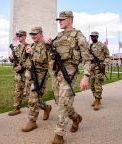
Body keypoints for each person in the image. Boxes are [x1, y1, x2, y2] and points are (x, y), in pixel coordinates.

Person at [46, 11, 91, 144]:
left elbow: (87, 59)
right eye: (58, 19)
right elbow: (52, 54)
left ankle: (59, 135)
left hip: (70, 71)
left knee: (63, 103)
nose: (59, 21)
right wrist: (49, 44)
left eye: (62, 19)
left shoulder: (79, 36)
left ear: (70, 20)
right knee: (60, 101)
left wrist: (86, 76)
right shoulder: (59, 36)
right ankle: (76, 118)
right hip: (56, 72)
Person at [21, 26, 52, 132]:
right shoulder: (32, 45)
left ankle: (32, 122)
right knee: (33, 98)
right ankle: (46, 107)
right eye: (31, 34)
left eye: (35, 34)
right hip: (30, 75)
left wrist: (31, 52)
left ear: (41, 34)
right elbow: (27, 61)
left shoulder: (45, 45)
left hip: (40, 76)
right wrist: (26, 55)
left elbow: (43, 59)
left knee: (33, 99)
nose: (33, 36)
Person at [8, 30, 30, 116]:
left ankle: (41, 107)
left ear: (24, 36)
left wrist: (22, 66)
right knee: (18, 90)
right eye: (18, 36)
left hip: (27, 73)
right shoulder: (16, 48)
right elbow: (13, 60)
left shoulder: (29, 47)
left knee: (29, 92)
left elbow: (30, 60)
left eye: (20, 36)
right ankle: (16, 108)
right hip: (18, 74)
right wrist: (10, 58)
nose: (19, 38)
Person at [89, 31, 110, 111]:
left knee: (98, 84)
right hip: (91, 68)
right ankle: (95, 98)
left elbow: (108, 56)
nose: (93, 38)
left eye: (94, 36)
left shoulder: (102, 46)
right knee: (92, 85)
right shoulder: (89, 46)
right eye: (92, 36)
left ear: (97, 37)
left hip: (99, 67)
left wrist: (104, 64)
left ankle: (98, 101)